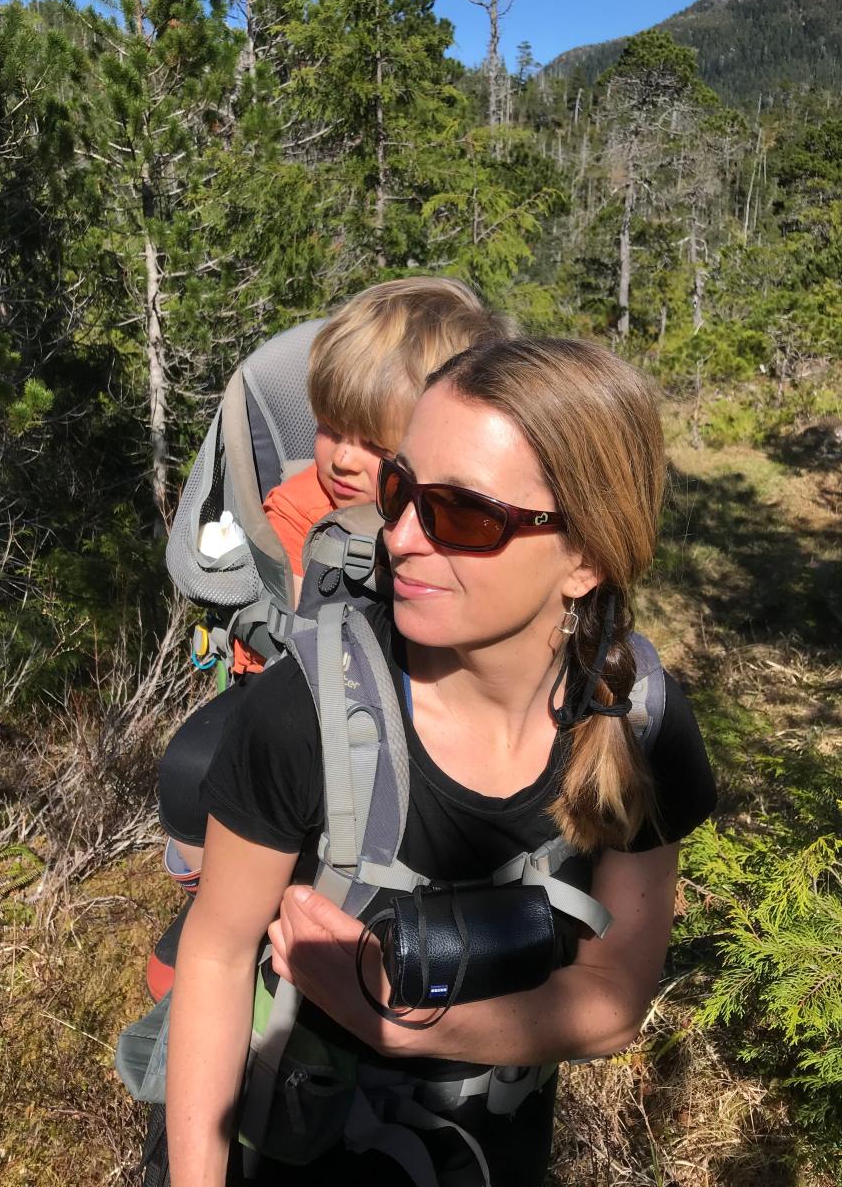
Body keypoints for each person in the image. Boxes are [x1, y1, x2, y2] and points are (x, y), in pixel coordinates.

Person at [164, 336, 717, 1186]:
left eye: (462, 514)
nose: (402, 538)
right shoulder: (304, 713)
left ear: (586, 558)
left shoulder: (637, 721)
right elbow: (215, 955)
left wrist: (396, 1021)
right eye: (400, 490)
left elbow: (613, 1002)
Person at [156, 280, 515, 916]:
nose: (343, 459)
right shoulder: (298, 508)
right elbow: (297, 619)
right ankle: (226, 901)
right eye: (327, 429)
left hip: (422, 697)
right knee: (189, 771)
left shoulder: (466, 522)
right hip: (300, 684)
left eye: (375, 445)